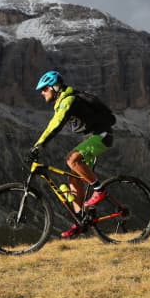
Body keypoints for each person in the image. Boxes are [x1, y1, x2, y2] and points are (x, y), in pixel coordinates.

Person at [30, 70, 116, 238]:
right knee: (73, 177)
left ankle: (99, 190)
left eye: (44, 89)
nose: (42, 92)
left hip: (102, 135)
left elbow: (54, 125)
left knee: (72, 159)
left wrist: (38, 146)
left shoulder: (68, 101)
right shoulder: (63, 101)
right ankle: (80, 221)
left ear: (54, 87)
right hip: (94, 136)